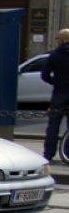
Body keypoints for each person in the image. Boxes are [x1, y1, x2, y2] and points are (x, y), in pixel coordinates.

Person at [40, 28, 69, 162]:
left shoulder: (55, 55)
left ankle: (49, 154)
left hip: (59, 92)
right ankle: (67, 153)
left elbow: (44, 75)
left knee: (53, 124)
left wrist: (55, 82)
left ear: (61, 40)